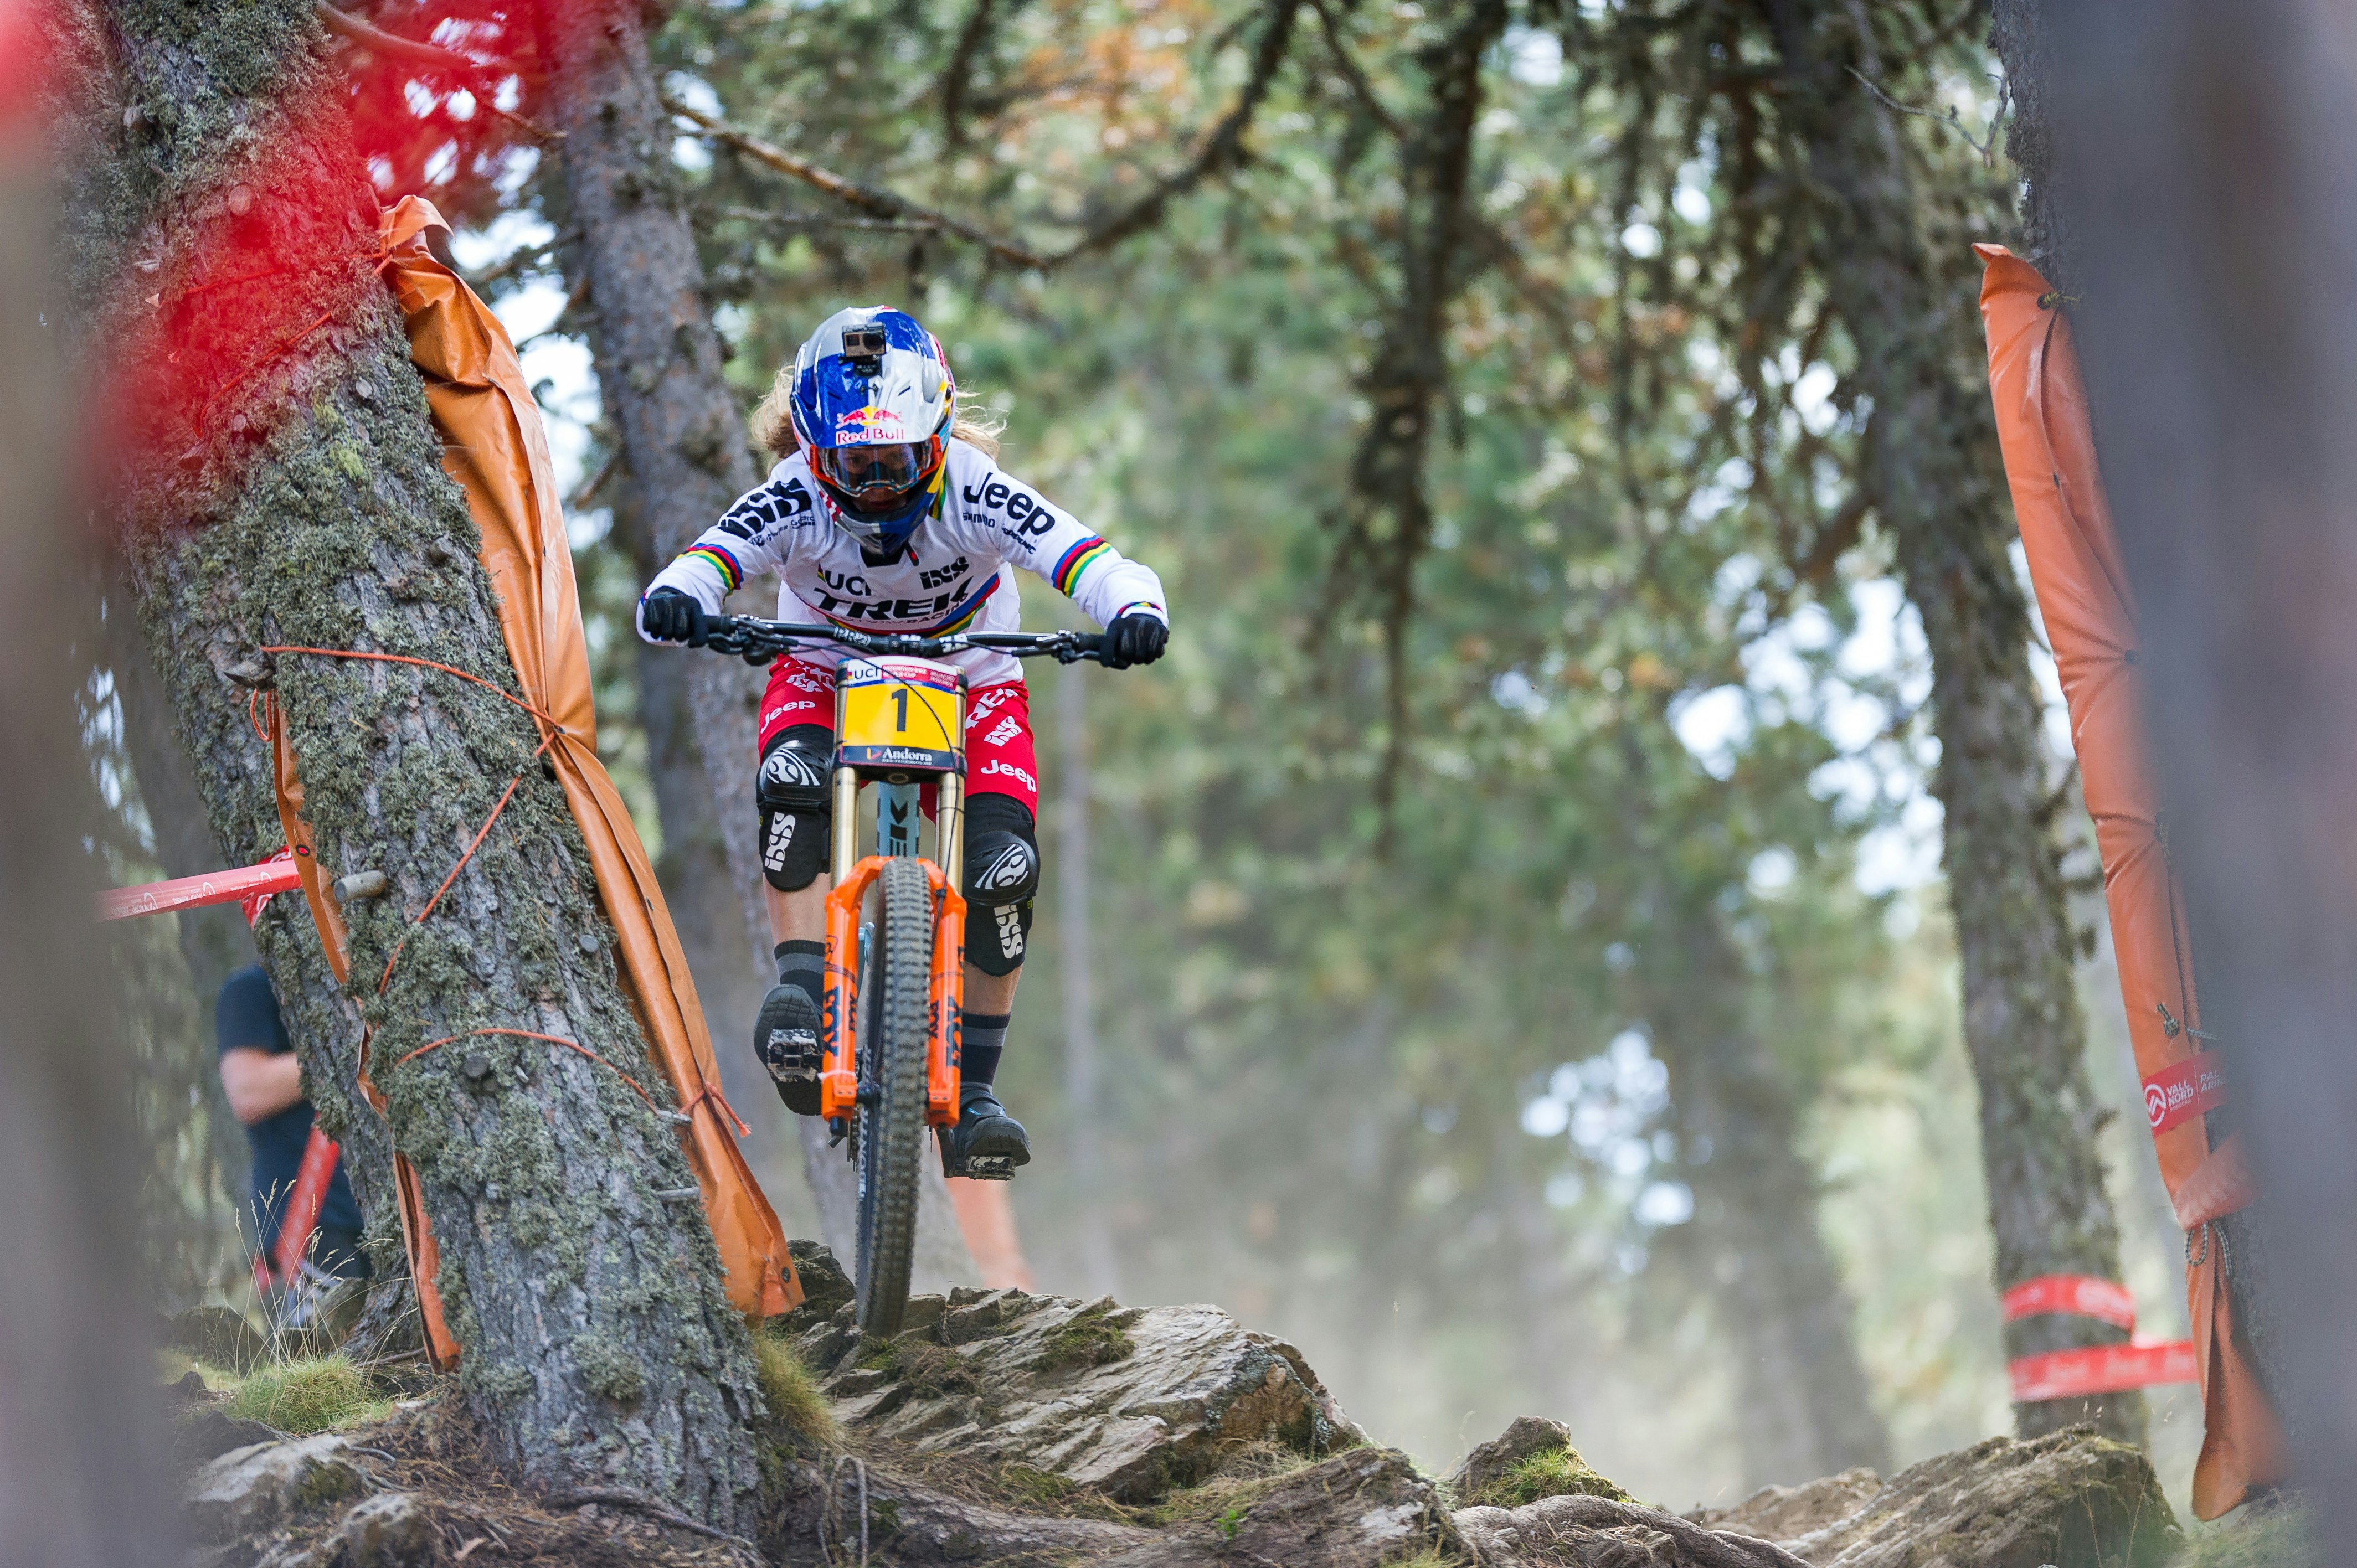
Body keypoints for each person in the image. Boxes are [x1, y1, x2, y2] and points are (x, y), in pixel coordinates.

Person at [638, 306, 1168, 1179]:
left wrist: (1134, 613)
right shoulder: (792, 495)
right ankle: (804, 986)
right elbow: (703, 562)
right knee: (790, 777)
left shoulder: (975, 489)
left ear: (939, 435)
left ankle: (977, 1097)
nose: (877, 484)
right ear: (812, 451)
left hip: (973, 682)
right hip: (824, 672)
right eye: (855, 462)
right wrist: (679, 601)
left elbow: (1088, 558)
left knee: (1005, 870)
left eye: (894, 458)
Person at [215, 965, 368, 1290]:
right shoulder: (250, 988)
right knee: (331, 1339)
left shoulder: (355, 978)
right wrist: (350, 1048)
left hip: (375, 1210)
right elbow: (247, 1089)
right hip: (308, 1223)